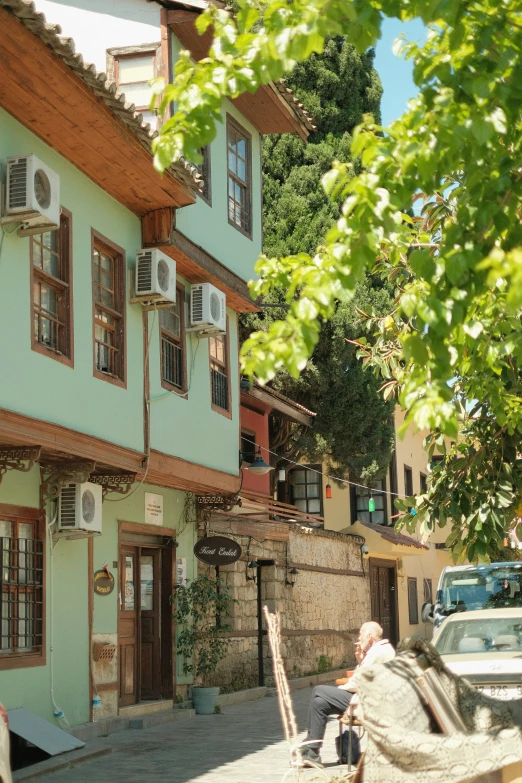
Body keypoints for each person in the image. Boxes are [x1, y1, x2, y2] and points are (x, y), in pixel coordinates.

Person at [300, 621, 395, 768]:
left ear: (369, 636)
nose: (359, 638)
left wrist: (340, 689)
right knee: (319, 703)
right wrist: (361, 660)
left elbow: (357, 683)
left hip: (368, 703)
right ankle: (312, 753)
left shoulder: (378, 652)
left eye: (360, 634)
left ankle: (309, 744)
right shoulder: (380, 650)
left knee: (318, 690)